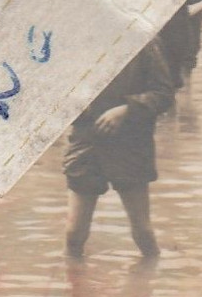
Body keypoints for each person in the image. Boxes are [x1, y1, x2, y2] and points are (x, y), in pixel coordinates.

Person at [63, 39, 175, 259]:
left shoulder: (143, 41)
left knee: (142, 231)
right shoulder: (72, 42)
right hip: (86, 141)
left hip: (131, 143)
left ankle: (149, 282)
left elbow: (164, 95)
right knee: (73, 234)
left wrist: (127, 110)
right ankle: (75, 289)